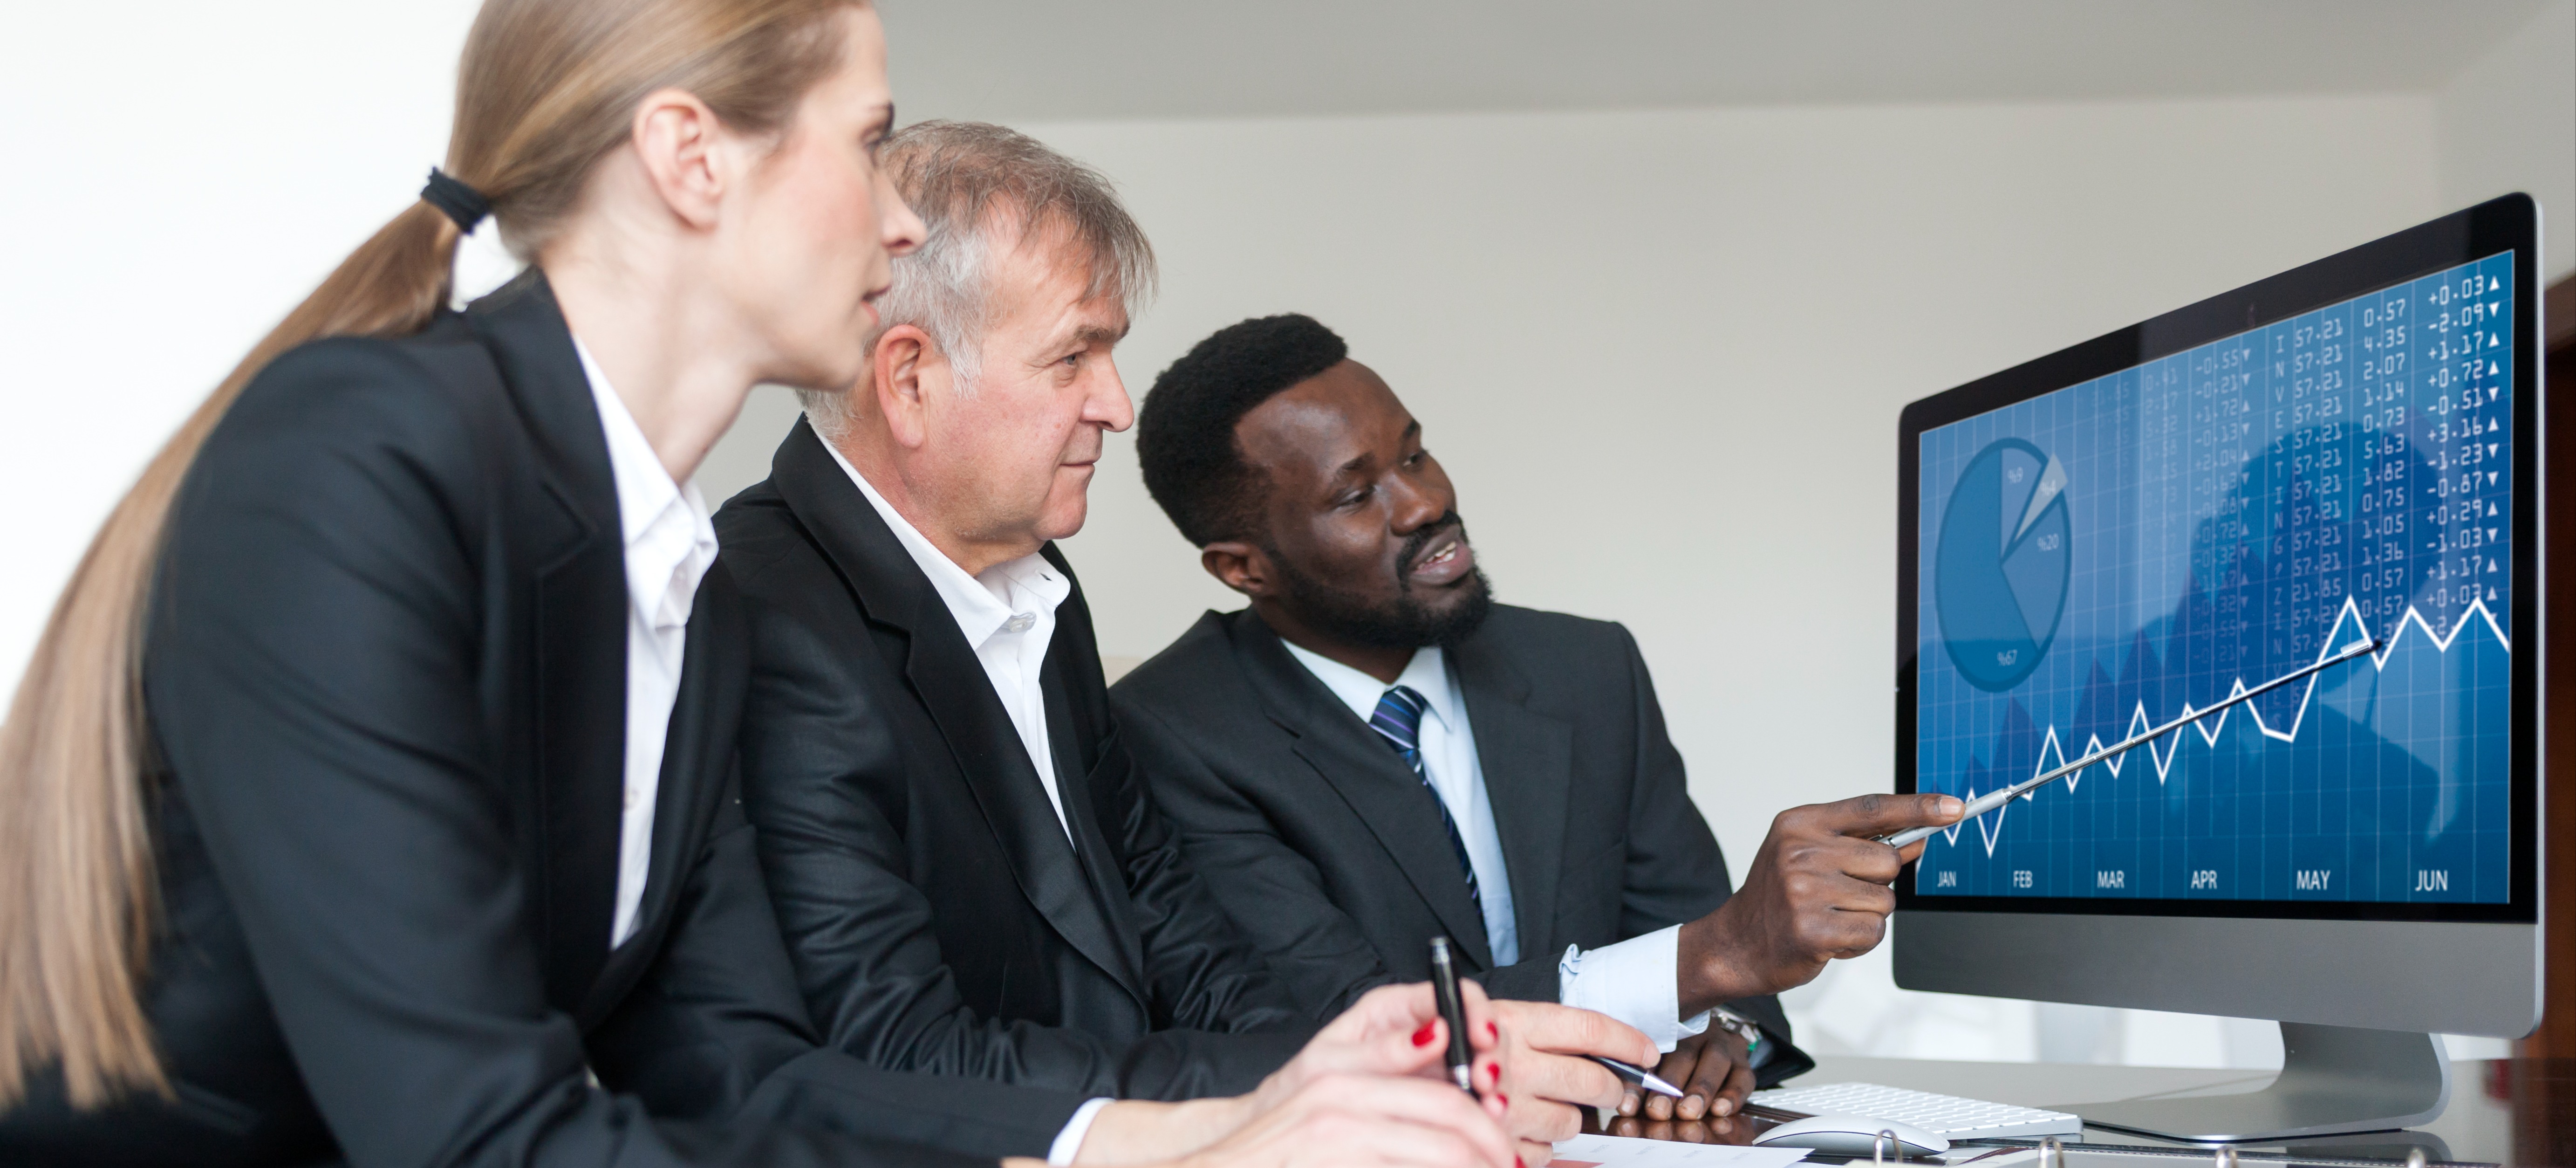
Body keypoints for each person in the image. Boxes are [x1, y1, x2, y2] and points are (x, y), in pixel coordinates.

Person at [0, 9, 1518, 1167]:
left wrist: (1219, 1122)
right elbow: (472, 1133)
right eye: (871, 144)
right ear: (690, 157)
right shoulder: (359, 455)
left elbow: (741, 1077)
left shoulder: (686, 592)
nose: (903, 218)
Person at [719, 122, 1649, 1163]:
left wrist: (1350, 1068)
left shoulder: (1037, 582)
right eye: (1073, 354)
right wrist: (1296, 1091)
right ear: (910, 381)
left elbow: (1171, 922)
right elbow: (895, 1048)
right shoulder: (764, 616)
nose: (1115, 406)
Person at [1114, 313, 1968, 1131]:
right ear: (1242, 567)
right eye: (1355, 494)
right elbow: (1341, 1022)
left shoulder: (1588, 670)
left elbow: (1709, 947)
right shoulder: (1169, 733)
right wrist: (1709, 957)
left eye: (1415, 451)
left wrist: (1723, 1034)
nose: (1423, 503)